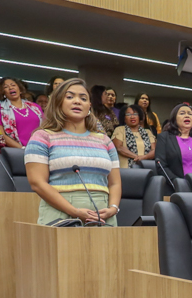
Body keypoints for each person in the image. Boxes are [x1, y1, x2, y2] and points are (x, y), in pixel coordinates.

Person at [23, 79, 121, 226]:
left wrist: (113, 208)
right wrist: (74, 211)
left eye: (83, 98)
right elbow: (37, 183)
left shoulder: (105, 140)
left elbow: (114, 183)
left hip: (103, 215)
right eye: (69, 97)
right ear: (58, 103)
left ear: (89, 106)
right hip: (60, 214)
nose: (77, 101)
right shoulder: (42, 137)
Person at [155, 102, 192, 176]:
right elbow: (161, 165)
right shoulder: (164, 137)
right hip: (175, 184)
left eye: (190, 114)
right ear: (174, 118)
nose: (187, 116)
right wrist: (177, 182)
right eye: (182, 113)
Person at [0, 76, 43, 147]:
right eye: (6, 87)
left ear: (20, 89)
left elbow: (45, 128)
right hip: (16, 152)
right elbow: (1, 134)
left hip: (39, 149)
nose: (11, 88)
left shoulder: (35, 107)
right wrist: (22, 149)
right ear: (3, 92)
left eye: (13, 85)